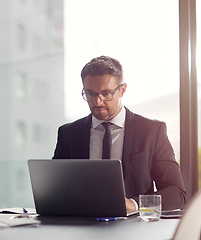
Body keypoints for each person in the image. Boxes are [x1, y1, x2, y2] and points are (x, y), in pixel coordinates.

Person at [52, 56, 186, 212]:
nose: (98, 102)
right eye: (90, 94)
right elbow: (55, 189)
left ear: (122, 90)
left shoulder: (152, 131)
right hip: (82, 227)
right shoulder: (68, 134)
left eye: (106, 93)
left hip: (135, 228)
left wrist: (135, 205)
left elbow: (176, 192)